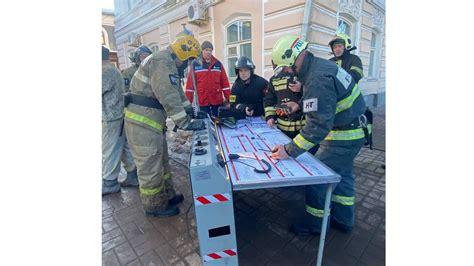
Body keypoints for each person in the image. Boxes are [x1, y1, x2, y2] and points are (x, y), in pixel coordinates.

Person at [270, 35, 367, 235]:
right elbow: (325, 101)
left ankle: (315, 226)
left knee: (317, 178)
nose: (287, 71)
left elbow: (317, 126)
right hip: (353, 130)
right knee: (343, 177)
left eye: (287, 66)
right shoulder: (318, 67)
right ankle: (343, 220)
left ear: (296, 57)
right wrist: (298, 104)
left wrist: (289, 150)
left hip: (343, 136)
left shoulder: (316, 78)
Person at [123, 35, 205, 218]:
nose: (188, 65)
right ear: (182, 55)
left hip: (150, 122)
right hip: (142, 123)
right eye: (189, 61)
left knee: (162, 162)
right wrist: (185, 122)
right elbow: (167, 95)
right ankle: (154, 207)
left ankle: (166, 196)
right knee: (150, 166)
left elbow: (177, 93)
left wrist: (191, 111)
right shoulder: (162, 61)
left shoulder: (167, 63)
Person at [102, 46, 138, 195]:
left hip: (112, 117)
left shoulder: (105, 71)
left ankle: (110, 183)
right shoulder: (111, 69)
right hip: (118, 115)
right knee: (122, 147)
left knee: (109, 149)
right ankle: (132, 175)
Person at [185, 41, 231, 117]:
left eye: (210, 50)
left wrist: (230, 101)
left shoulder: (218, 64)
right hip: (202, 101)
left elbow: (225, 85)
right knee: (206, 123)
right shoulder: (195, 64)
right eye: (206, 50)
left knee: (218, 122)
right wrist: (188, 105)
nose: (208, 52)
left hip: (217, 101)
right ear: (202, 51)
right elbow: (190, 87)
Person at [264, 61, 305, 139]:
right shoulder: (274, 79)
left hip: (304, 128)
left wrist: (303, 88)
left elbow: (315, 95)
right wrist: (270, 117)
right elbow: (270, 101)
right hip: (283, 129)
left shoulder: (305, 76)